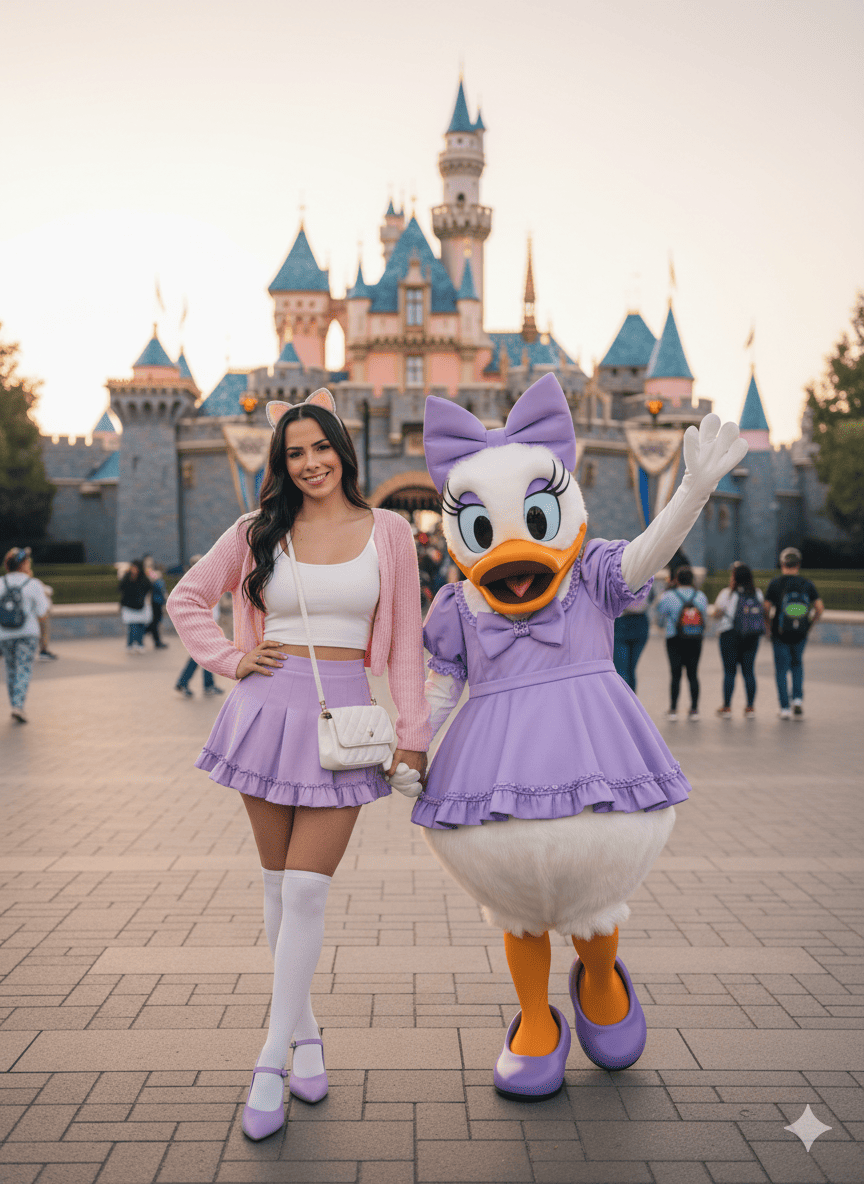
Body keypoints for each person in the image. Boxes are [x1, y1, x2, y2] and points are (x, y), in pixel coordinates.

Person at [167, 388, 429, 1143]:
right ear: (282, 464)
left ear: (343, 451)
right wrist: (230, 657)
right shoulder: (258, 530)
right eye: (294, 453)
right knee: (279, 888)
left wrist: (413, 735)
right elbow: (190, 598)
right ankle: (307, 1036)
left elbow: (406, 641)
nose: (310, 463)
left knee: (309, 893)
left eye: (320, 448)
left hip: (345, 720)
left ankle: (269, 1059)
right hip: (264, 712)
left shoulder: (390, 532)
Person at [764, 547, 823, 719]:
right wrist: (809, 625)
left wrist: (768, 627)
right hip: (801, 633)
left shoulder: (775, 583)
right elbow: (819, 608)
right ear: (798, 564)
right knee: (797, 664)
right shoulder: (807, 584)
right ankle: (797, 699)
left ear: (782, 564)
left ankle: (784, 709)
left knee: (781, 670)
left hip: (780, 633)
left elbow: (766, 608)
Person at [0, 546, 50, 723]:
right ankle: (18, 706)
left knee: (11, 670)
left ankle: (15, 703)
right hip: (27, 634)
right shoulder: (33, 584)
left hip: (4, 634)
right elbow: (43, 612)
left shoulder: (0, 583)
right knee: (24, 669)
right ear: (23, 564)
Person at [654, 566, 708, 720]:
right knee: (693, 674)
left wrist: (663, 626)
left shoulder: (668, 596)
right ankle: (694, 710)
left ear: (677, 579)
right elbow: (704, 618)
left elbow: (660, 617)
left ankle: (673, 710)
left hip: (674, 638)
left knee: (675, 674)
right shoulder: (700, 596)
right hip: (695, 639)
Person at [711, 562, 764, 718]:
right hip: (752, 637)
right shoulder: (757, 593)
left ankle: (727, 708)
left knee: (729, 672)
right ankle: (750, 708)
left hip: (729, 636)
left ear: (735, 578)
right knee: (749, 671)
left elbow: (716, 613)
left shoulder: (727, 594)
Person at [175, 560, 223, 697]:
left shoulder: (204, 582)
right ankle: (187, 683)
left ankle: (199, 684)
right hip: (201, 625)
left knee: (204, 656)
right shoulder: (194, 584)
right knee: (204, 656)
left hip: (207, 624)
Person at [613, 587, 653, 694]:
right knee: (627, 669)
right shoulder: (648, 581)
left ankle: (627, 705)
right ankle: (629, 704)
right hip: (637, 623)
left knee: (625, 669)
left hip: (625, 622)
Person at [118, 560, 152, 652]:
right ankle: (130, 644)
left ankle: (140, 644)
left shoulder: (144, 578)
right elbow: (121, 588)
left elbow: (148, 588)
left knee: (140, 626)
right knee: (132, 626)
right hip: (129, 605)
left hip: (140, 605)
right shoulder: (127, 577)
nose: (134, 570)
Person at [143, 556, 169, 649]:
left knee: (155, 622)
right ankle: (143, 634)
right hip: (154, 602)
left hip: (158, 601)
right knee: (155, 622)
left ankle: (156, 641)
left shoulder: (153, 573)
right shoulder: (148, 573)